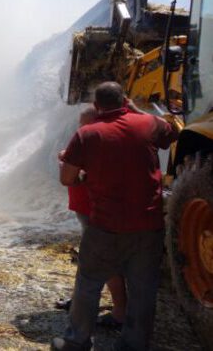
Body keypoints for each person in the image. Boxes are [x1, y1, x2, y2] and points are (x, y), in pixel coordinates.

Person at [52, 82, 179, 351]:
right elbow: (172, 133)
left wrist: (87, 175)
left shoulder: (87, 134)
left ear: (97, 107)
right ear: (125, 100)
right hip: (148, 225)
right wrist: (136, 110)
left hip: (105, 226)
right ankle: (133, 344)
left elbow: (68, 178)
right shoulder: (146, 125)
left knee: (88, 284)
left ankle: (76, 342)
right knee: (143, 289)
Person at [56, 105, 127, 330]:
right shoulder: (92, 139)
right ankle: (80, 301)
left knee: (106, 261)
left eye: (83, 123)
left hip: (94, 210)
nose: (80, 128)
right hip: (87, 208)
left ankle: (120, 312)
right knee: (88, 256)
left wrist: (67, 160)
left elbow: (73, 174)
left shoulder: (99, 141)